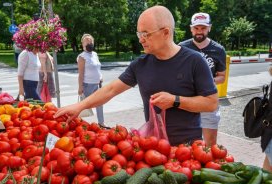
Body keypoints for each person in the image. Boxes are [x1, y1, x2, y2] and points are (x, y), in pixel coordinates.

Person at [54, 6, 218, 146]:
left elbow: (211, 103)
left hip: (187, 148)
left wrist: (175, 101)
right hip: (153, 147)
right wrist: (80, 106)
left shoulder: (194, 61)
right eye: (139, 34)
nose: (141, 40)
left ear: (166, 32)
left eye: (146, 34)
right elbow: (110, 90)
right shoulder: (141, 64)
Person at [179, 13, 226, 146]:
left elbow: (222, 77)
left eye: (203, 28)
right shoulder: (181, 47)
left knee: (210, 145)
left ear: (209, 28)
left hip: (208, 101)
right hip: (186, 101)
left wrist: (205, 82)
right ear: (191, 29)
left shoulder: (218, 50)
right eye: (196, 28)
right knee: (185, 144)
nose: (199, 32)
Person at [76, 34, 105, 127]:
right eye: (87, 41)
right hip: (87, 85)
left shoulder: (95, 54)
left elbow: (98, 68)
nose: (89, 43)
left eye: (91, 41)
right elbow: (80, 74)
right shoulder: (82, 57)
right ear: (83, 44)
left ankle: (101, 123)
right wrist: (80, 87)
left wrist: (100, 77)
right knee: (84, 106)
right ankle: (78, 122)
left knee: (99, 103)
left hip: (97, 84)